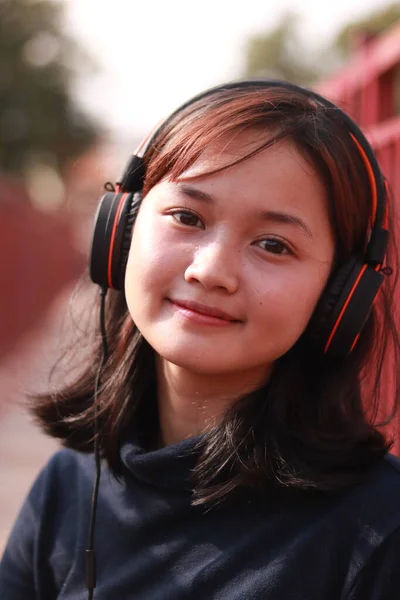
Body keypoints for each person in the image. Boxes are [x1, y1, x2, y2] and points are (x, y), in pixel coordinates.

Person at [1, 79, 400, 600]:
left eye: (273, 245)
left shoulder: (379, 535)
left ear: (340, 296)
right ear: (120, 231)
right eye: (187, 217)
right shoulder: (70, 484)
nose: (211, 270)